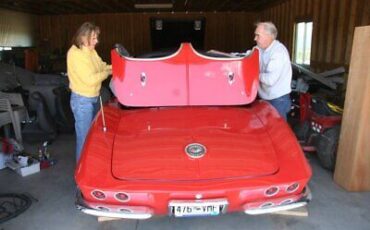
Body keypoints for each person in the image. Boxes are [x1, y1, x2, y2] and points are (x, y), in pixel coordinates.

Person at [67, 22, 112, 162]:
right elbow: (90, 80)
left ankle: (90, 169)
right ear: (83, 38)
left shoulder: (91, 51)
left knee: (92, 136)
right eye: (93, 38)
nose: (97, 41)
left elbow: (102, 66)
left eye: (96, 37)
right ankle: (81, 178)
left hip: (92, 98)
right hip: (82, 101)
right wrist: (110, 72)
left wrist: (116, 66)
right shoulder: (75, 54)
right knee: (84, 138)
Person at [254, 21, 292, 120]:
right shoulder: (260, 48)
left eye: (258, 35)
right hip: (266, 97)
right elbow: (248, 55)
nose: (255, 39)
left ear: (268, 36)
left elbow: (270, 80)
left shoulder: (278, 52)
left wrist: (252, 73)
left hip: (278, 100)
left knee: (277, 133)